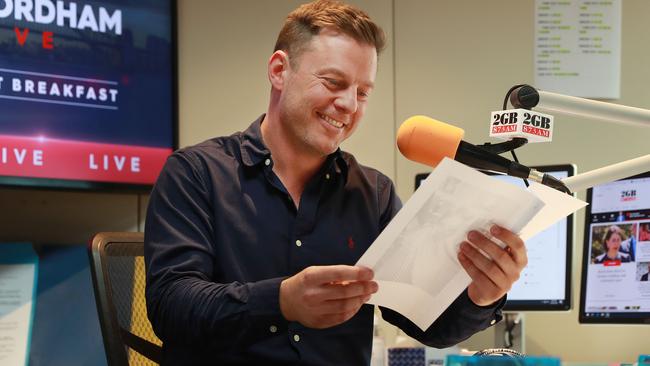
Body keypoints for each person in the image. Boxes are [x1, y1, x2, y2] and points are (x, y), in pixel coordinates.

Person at [144, 1, 528, 364]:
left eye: (362, 92)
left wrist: (482, 296)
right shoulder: (195, 173)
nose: (349, 104)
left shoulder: (372, 193)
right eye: (333, 82)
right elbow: (171, 307)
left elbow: (424, 323)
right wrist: (280, 301)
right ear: (279, 71)